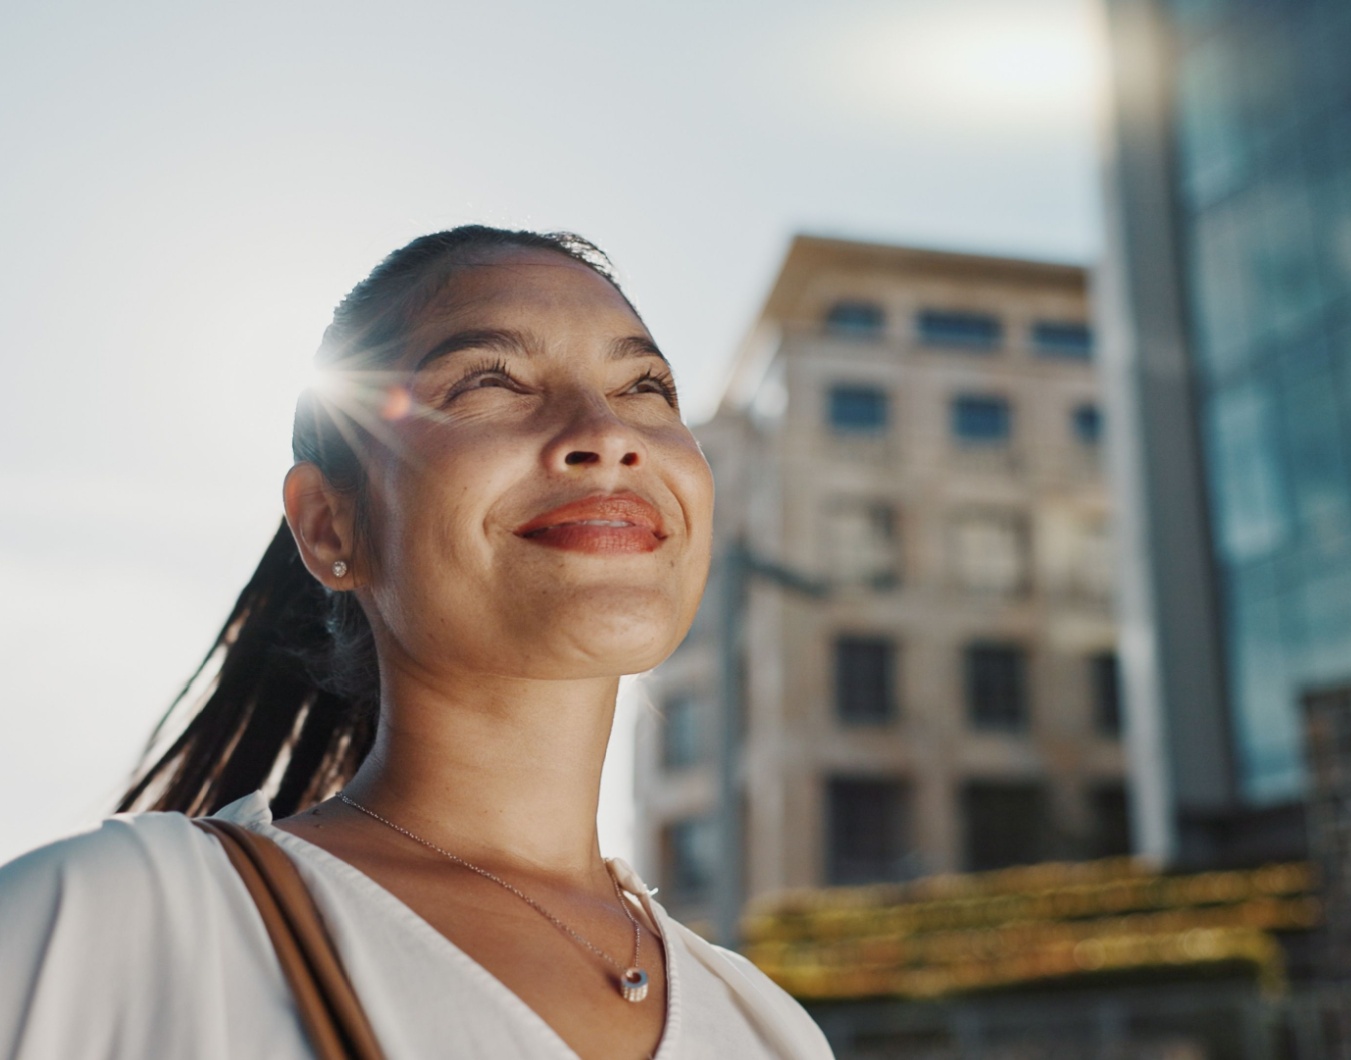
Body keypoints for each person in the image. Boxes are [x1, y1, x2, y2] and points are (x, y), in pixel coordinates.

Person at [0, 226, 834, 1060]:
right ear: (330, 525)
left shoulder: (769, 1029)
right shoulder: (112, 925)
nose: (607, 433)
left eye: (644, 386)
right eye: (488, 381)